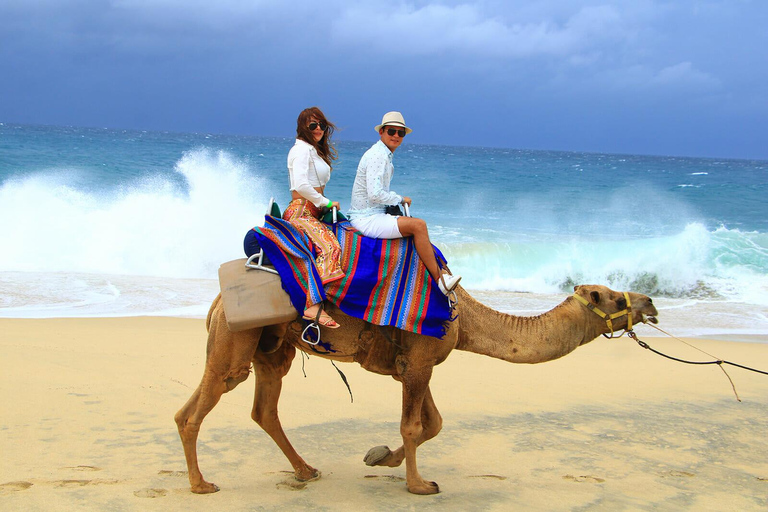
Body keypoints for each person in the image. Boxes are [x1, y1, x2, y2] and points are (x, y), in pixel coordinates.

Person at [347, 111, 461, 296]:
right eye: (392, 131)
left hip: (373, 214)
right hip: (366, 217)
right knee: (419, 225)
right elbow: (375, 194)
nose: (396, 136)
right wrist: (400, 199)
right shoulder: (378, 155)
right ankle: (441, 281)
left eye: (401, 133)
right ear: (381, 132)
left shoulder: (383, 154)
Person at [284, 107, 345, 327]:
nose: (318, 129)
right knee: (330, 247)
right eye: (312, 125)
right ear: (303, 127)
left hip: (315, 210)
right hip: (302, 210)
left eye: (321, 125)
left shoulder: (312, 150)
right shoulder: (300, 150)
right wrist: (325, 202)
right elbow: (301, 184)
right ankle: (313, 305)